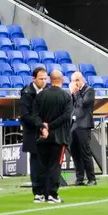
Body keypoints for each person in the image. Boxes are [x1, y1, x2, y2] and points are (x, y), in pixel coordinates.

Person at [33, 70, 72, 204]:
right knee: (55, 166)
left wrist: (43, 127)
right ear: (62, 80)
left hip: (42, 137)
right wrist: (50, 126)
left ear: (50, 80)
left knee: (43, 166)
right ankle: (52, 194)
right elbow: (66, 116)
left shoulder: (41, 95)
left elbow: (35, 116)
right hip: (59, 137)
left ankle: (41, 194)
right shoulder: (66, 96)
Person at [18, 65, 48, 197]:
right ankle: (37, 191)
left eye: (45, 79)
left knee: (46, 162)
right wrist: (40, 125)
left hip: (47, 132)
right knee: (36, 162)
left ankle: (47, 190)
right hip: (32, 133)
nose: (43, 81)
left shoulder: (47, 91)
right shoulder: (26, 93)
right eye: (41, 79)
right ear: (34, 78)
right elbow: (25, 115)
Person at [69, 71, 96, 186]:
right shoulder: (75, 92)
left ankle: (91, 178)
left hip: (84, 126)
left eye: (75, 81)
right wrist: (72, 94)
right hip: (73, 126)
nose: (74, 83)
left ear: (80, 80)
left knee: (85, 153)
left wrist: (75, 92)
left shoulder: (89, 90)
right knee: (75, 154)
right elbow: (71, 106)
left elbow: (83, 104)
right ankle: (79, 178)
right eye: (72, 81)